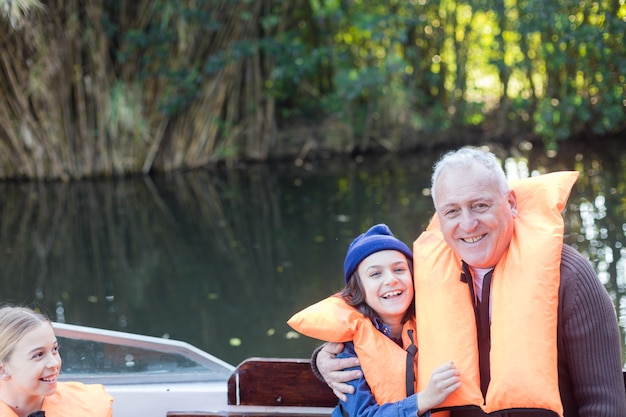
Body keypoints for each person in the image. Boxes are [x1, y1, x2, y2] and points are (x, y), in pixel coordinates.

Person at [313, 147, 626, 416]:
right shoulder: (423, 278)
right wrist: (323, 360)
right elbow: (377, 331)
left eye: (480, 205)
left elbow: (604, 404)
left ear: (512, 203)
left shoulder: (569, 277)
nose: (467, 224)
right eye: (452, 211)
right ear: (439, 217)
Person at [288, 223, 461, 417]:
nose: (390, 280)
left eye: (399, 269)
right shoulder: (348, 351)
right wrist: (424, 400)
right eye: (375, 274)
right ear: (358, 290)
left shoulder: (435, 324)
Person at [0, 305, 114, 417]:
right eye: (38, 355)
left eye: (54, 349)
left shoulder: (90, 407)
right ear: (2, 370)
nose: (54, 363)